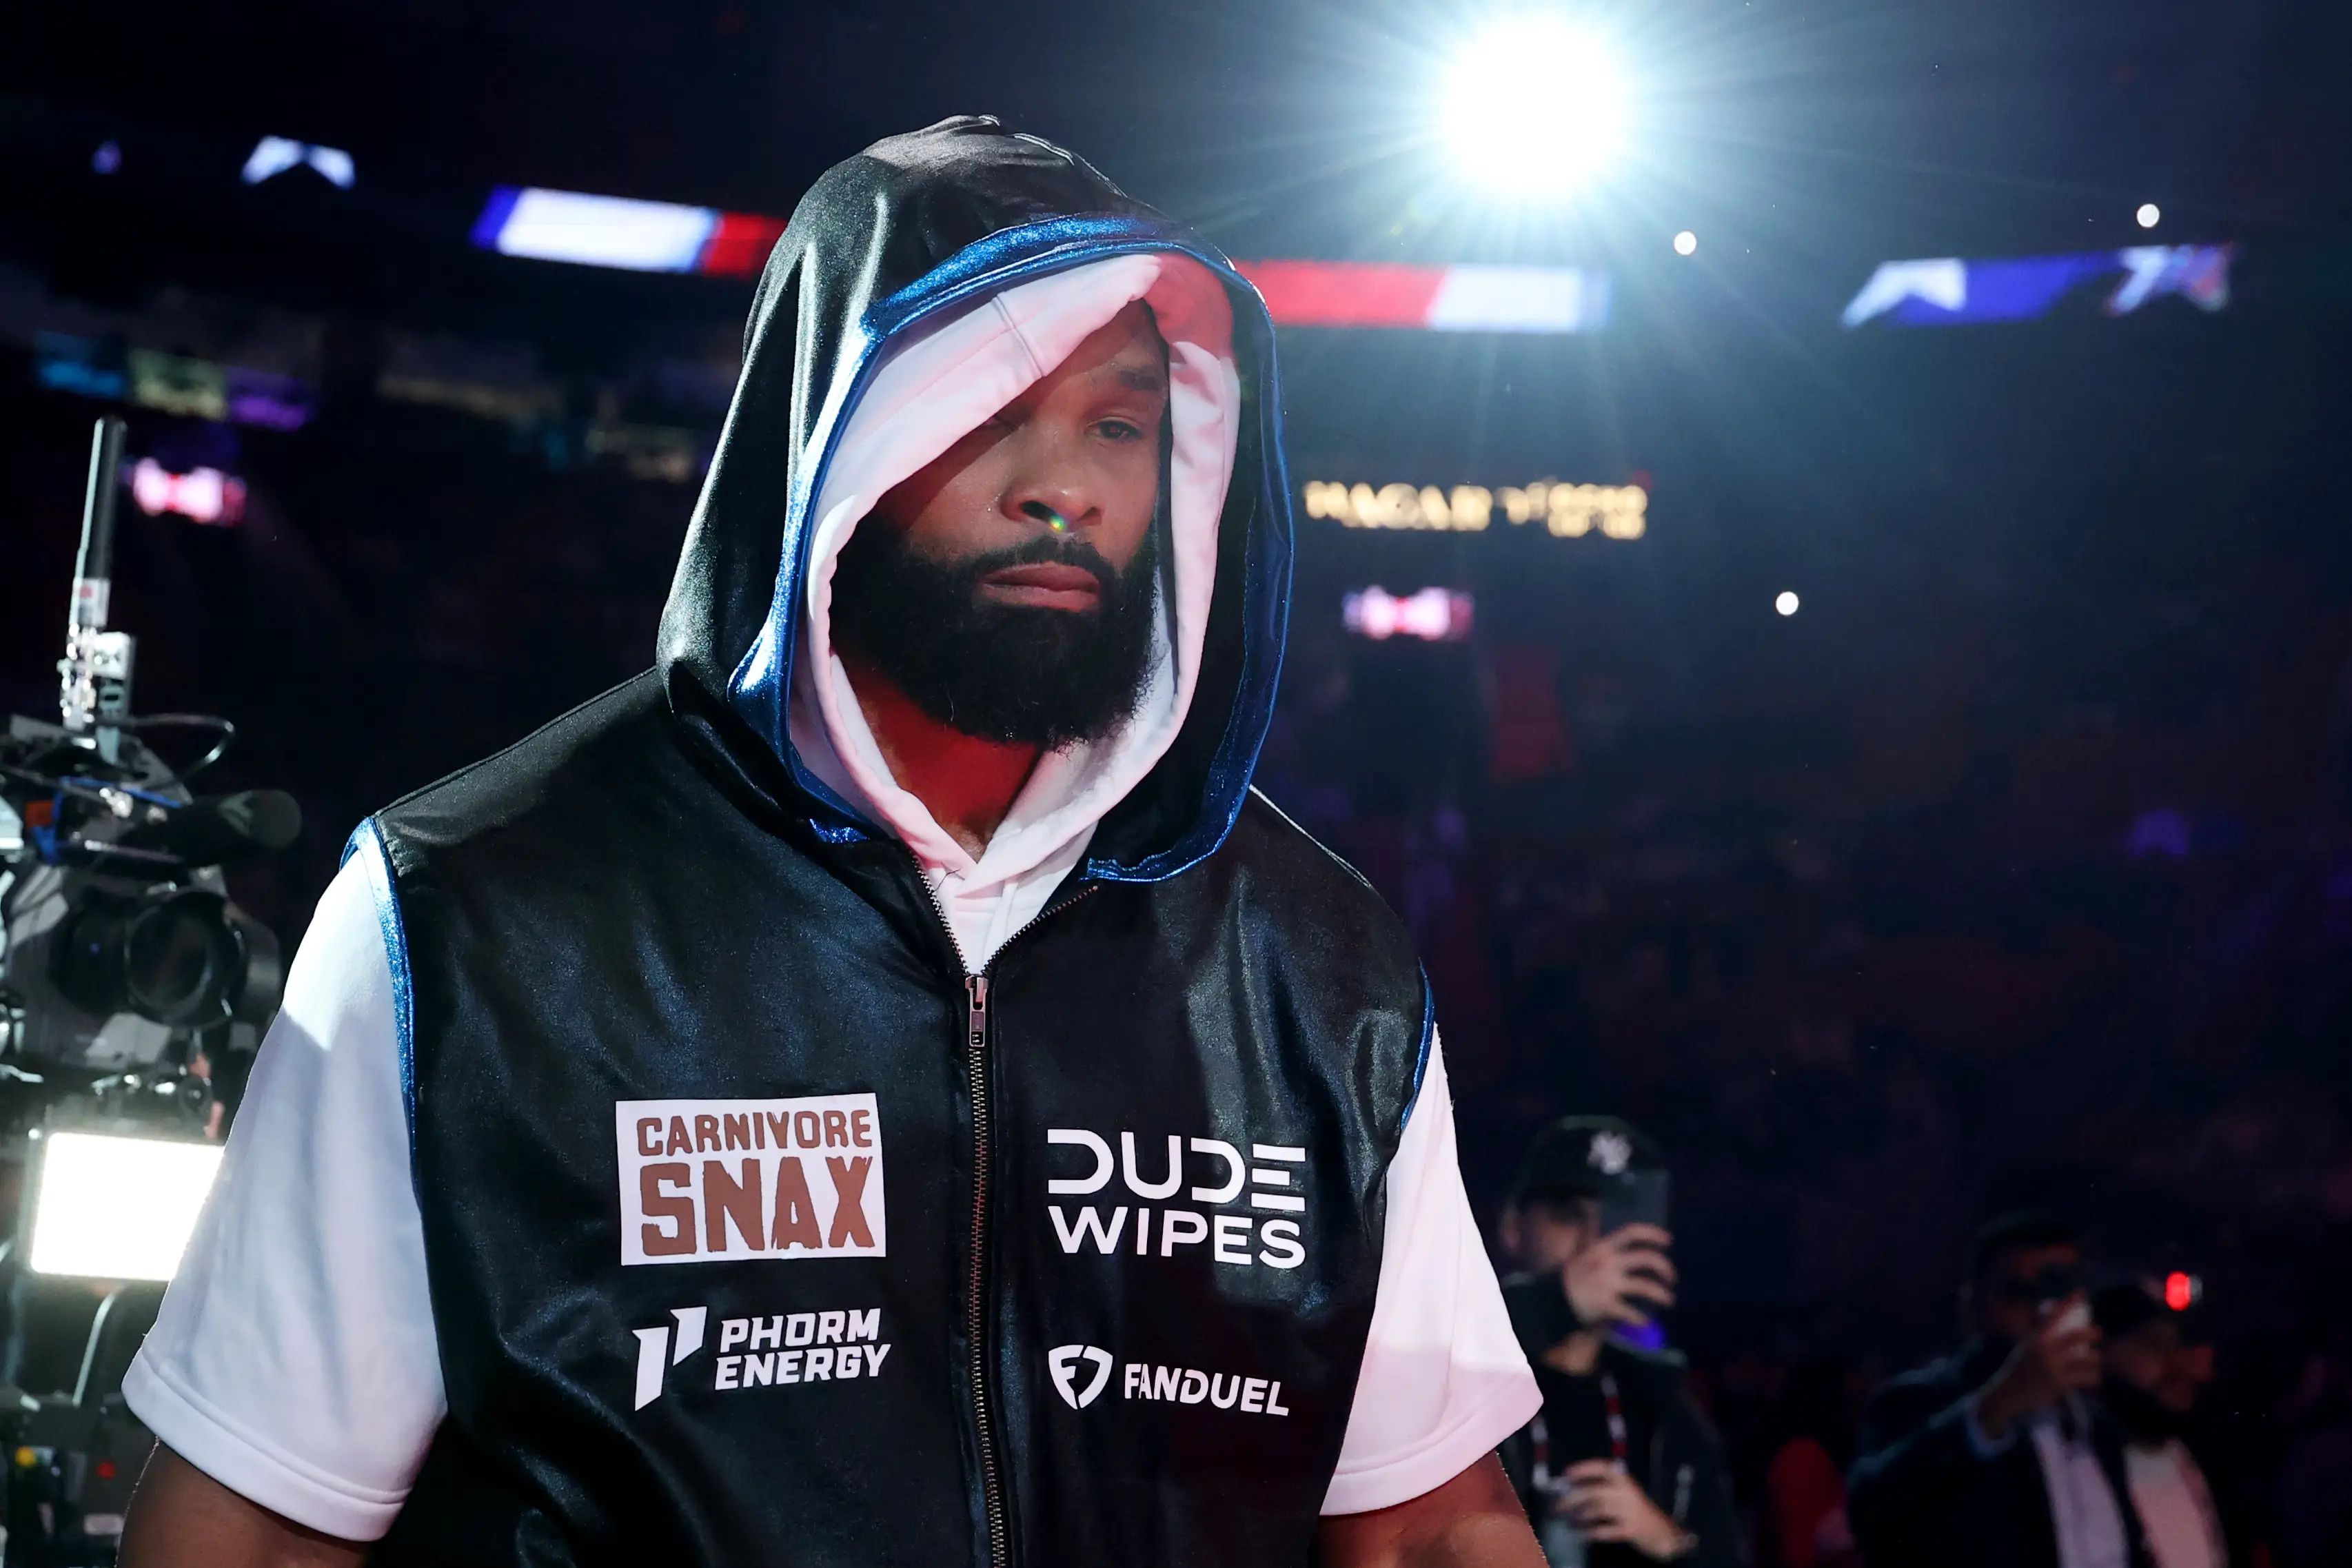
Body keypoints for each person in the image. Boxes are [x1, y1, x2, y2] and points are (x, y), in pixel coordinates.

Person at [114, 117, 1547, 1566]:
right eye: (988, 410)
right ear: (826, 444)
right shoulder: (466, 914)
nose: (1064, 489)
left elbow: (1432, 1524)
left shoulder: (1318, 965)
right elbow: (245, 1530)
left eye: (1118, 425)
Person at [1495, 1117, 1743, 1567]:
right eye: (1569, 1214)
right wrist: (1560, 1301)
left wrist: (1667, 1538)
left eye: (1614, 1217)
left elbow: (1728, 1554)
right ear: (1514, 1227)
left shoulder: (1662, 1400)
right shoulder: (1462, 1366)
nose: (1594, 1244)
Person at [1847, 1214, 2151, 1568]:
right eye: (2021, 1294)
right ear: (1973, 1307)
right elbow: (1872, 1509)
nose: (2044, 1312)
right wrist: (1996, 1408)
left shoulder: (2099, 1424)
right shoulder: (1923, 1401)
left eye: (2062, 1291)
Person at [2092, 1279, 2230, 1568]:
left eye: (2177, 1344)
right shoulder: (2081, 1474)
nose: (2176, 1363)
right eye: (2152, 1346)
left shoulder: (2207, 1458)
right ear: (2097, 1356)